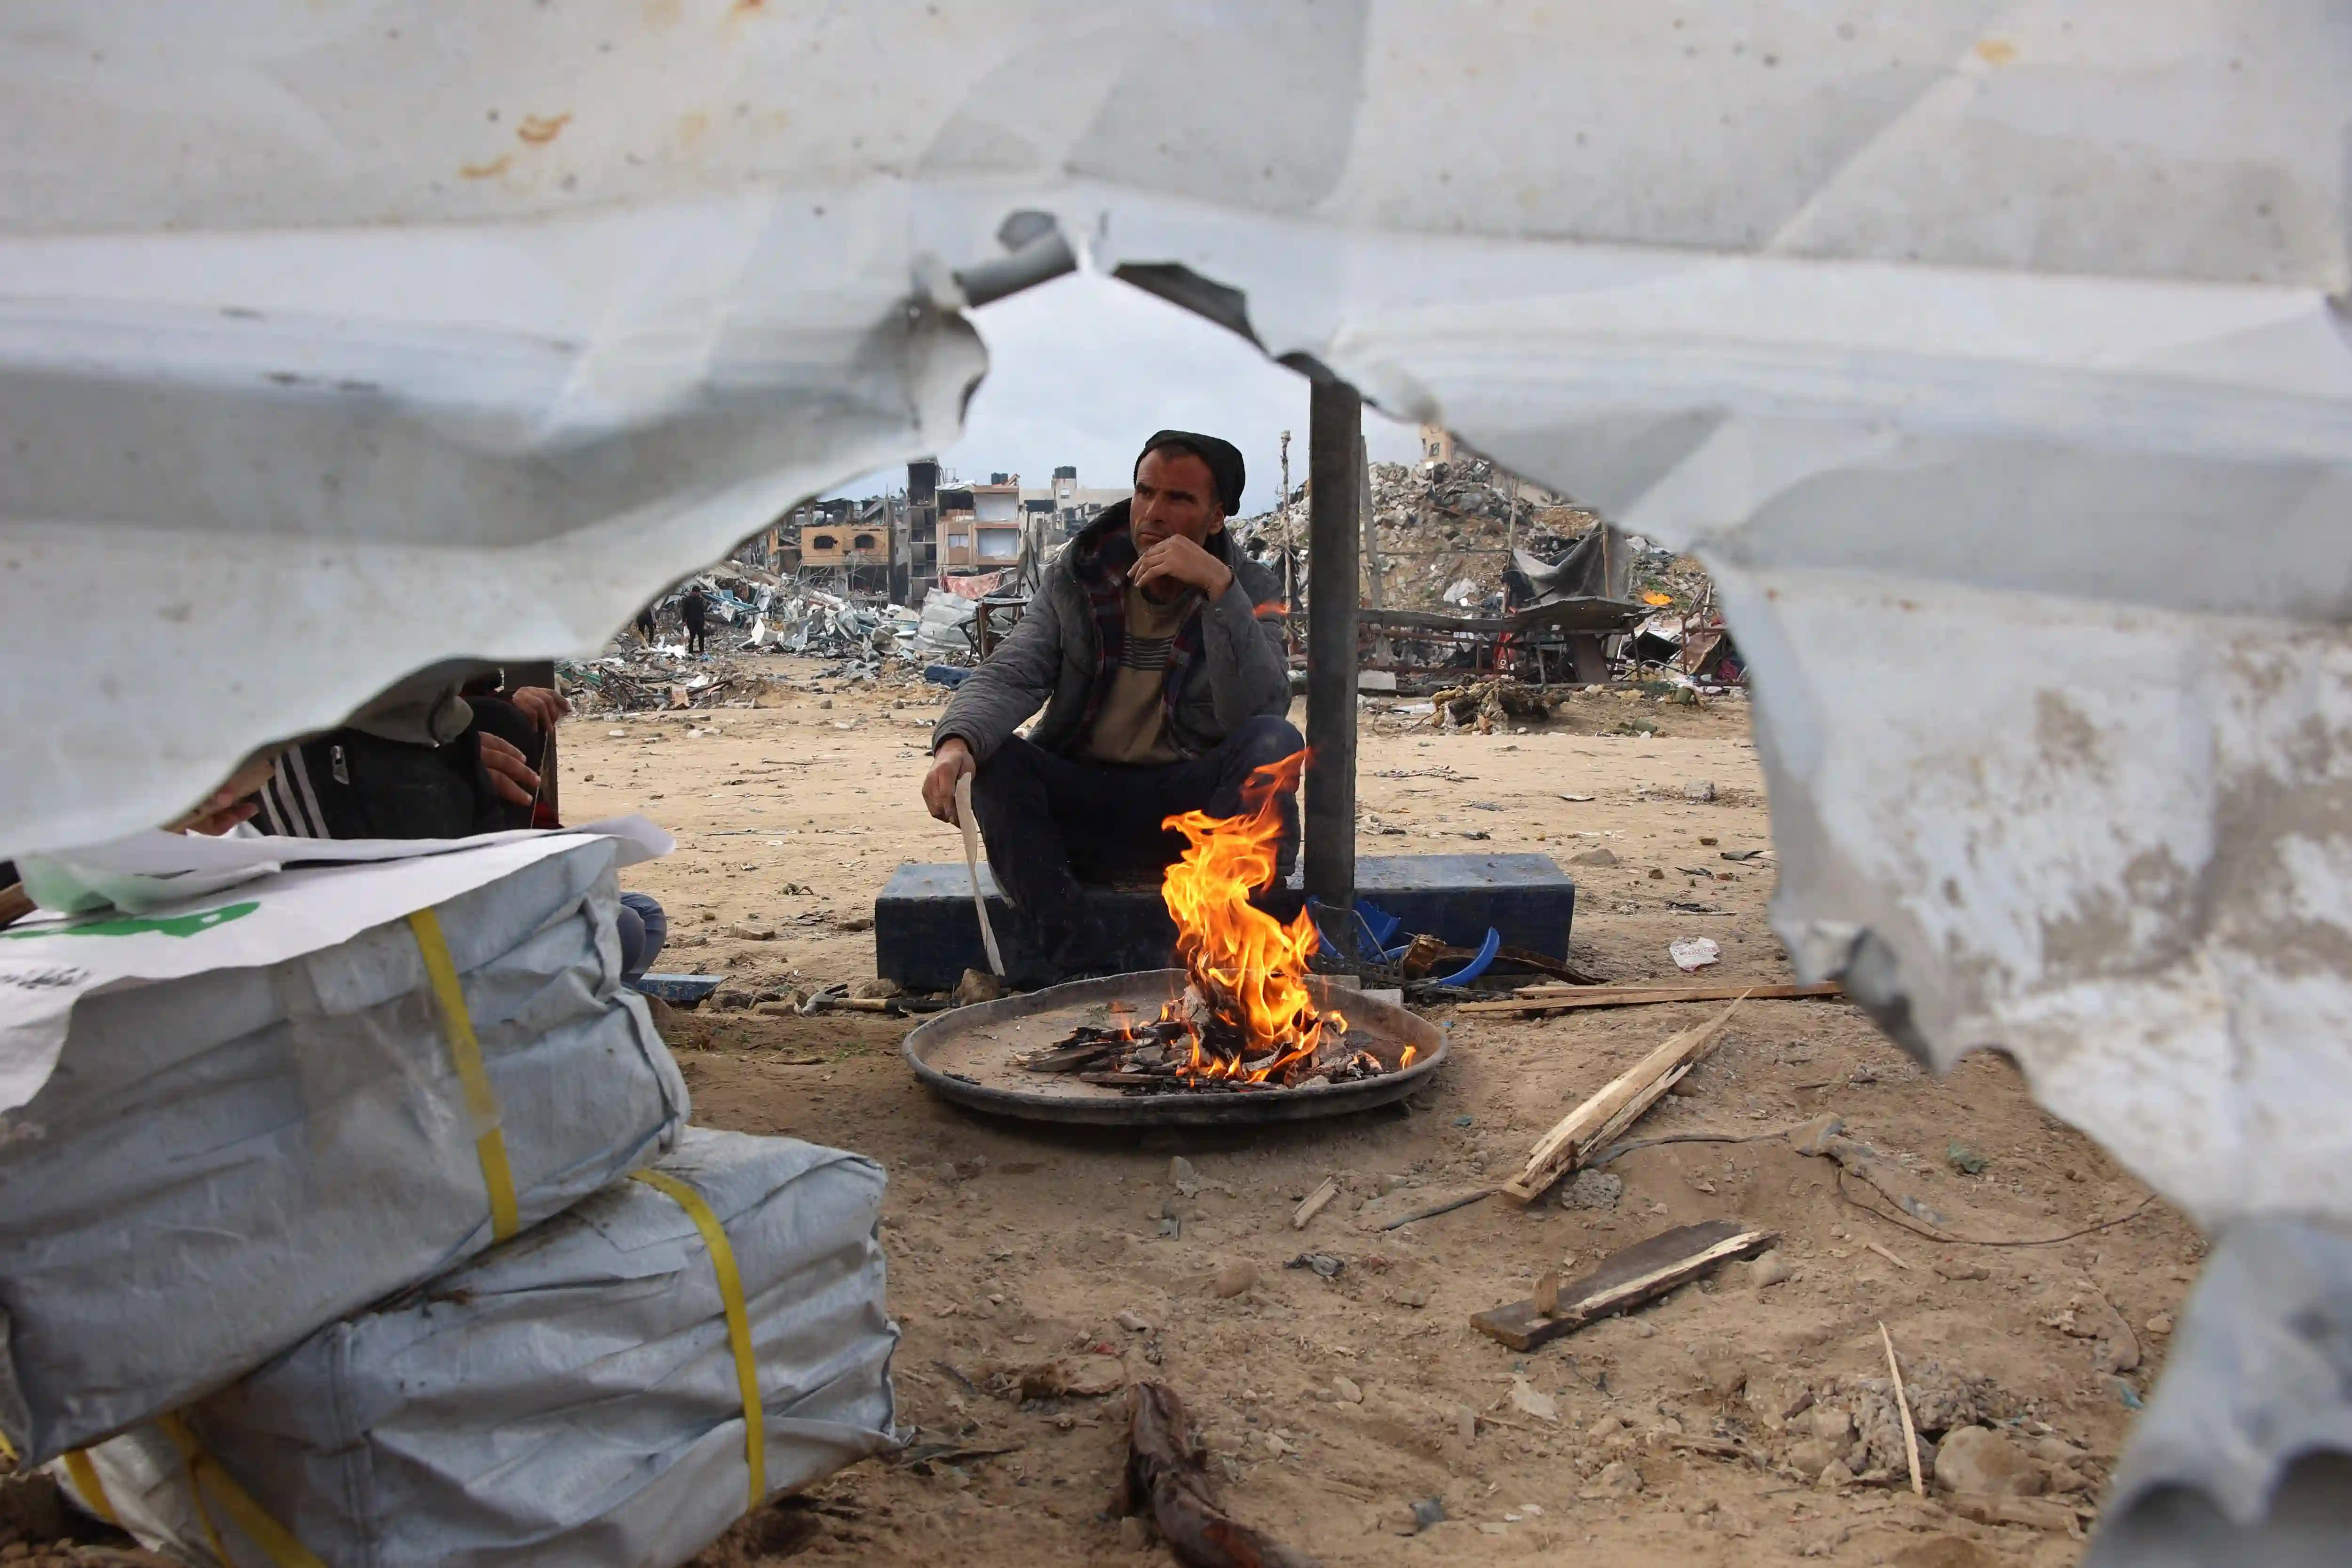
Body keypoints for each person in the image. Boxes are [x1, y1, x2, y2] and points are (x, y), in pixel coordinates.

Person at [921, 430, 1298, 979]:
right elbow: (1014, 669)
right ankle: (1076, 962)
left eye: (1179, 500)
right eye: (1146, 492)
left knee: (1274, 744)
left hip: (1191, 815)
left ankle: (1212, 955)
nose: (1154, 513)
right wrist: (955, 743)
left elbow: (1261, 708)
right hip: (1085, 801)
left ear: (1216, 518)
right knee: (994, 759)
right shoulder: (1080, 578)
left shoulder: (1250, 587)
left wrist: (1222, 591)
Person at [245, 672, 668, 983]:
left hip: (463, 881)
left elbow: (515, 833)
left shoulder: (469, 725)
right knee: (620, 926)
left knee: (637, 916)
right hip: (389, 923)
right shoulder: (330, 751)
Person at [681, 586, 710, 656]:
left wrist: (704, 620)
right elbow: (684, 611)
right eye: (697, 593)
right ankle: (691, 651)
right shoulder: (688, 600)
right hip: (691, 621)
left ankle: (702, 650)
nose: (698, 594)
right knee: (692, 636)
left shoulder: (699, 600)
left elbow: (702, 611)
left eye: (698, 593)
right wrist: (684, 621)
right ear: (693, 592)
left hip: (700, 621)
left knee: (701, 636)